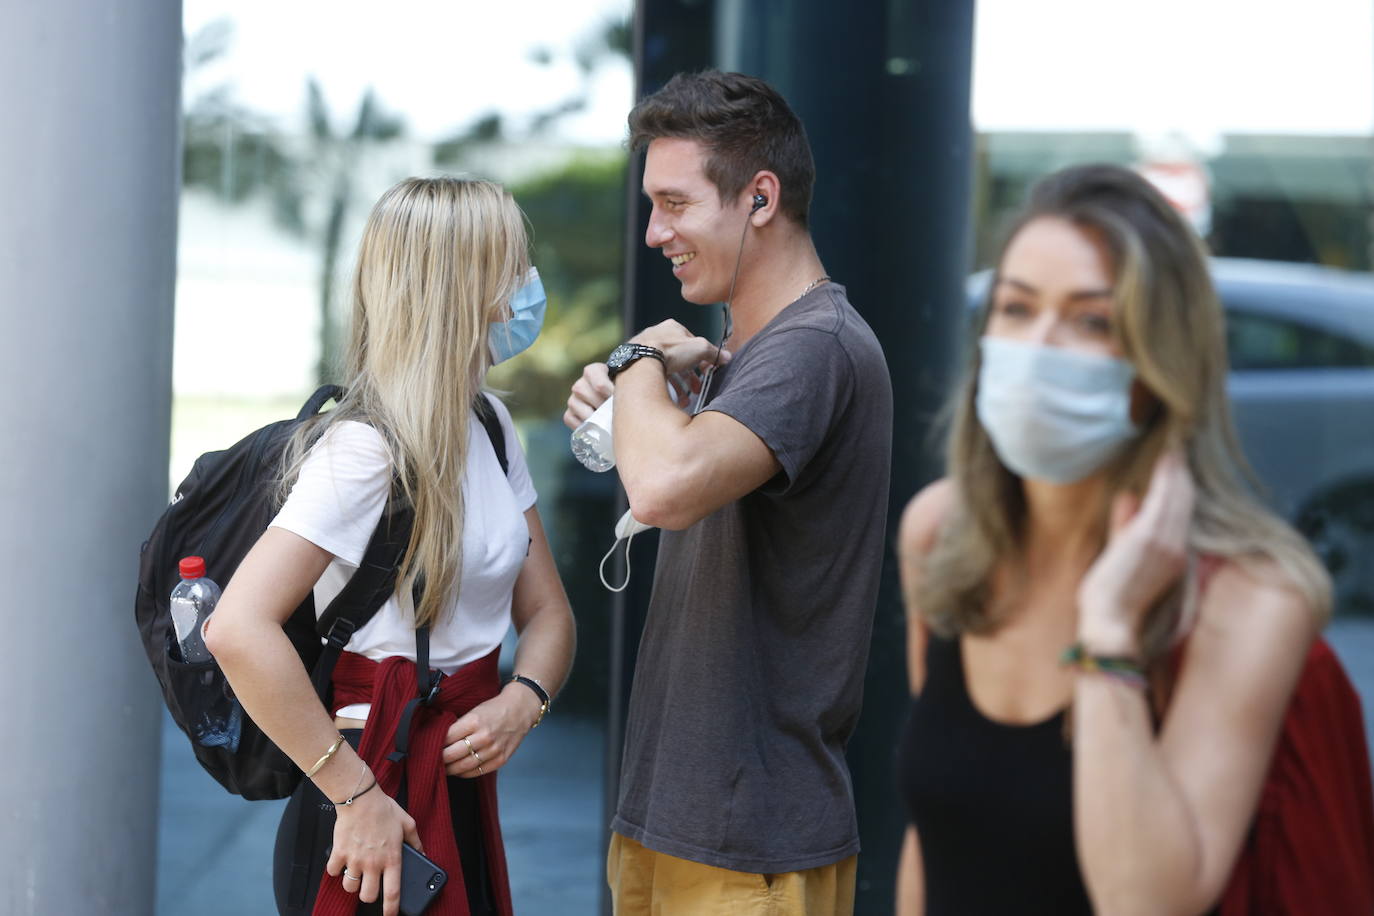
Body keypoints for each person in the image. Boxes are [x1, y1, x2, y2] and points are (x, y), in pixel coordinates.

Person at [895, 163, 1374, 915]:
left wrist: (1109, 629)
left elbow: (1147, 902)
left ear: (1160, 364)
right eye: (1016, 310)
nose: (1039, 347)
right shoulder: (941, 534)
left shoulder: (1246, 598)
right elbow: (933, 835)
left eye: (1093, 321)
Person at [563, 70, 893, 914]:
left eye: (675, 203)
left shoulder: (813, 345)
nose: (652, 232)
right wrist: (639, 410)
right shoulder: (745, 348)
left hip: (752, 845)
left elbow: (667, 489)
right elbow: (665, 475)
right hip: (677, 823)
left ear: (759, 198)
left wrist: (635, 361)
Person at [207, 176, 576, 916]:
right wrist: (356, 795)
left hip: (461, 781)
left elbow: (552, 617)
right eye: (512, 265)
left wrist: (523, 701)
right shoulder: (363, 450)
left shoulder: (493, 427)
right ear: (459, 287)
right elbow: (237, 628)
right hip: (373, 794)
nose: (526, 288)